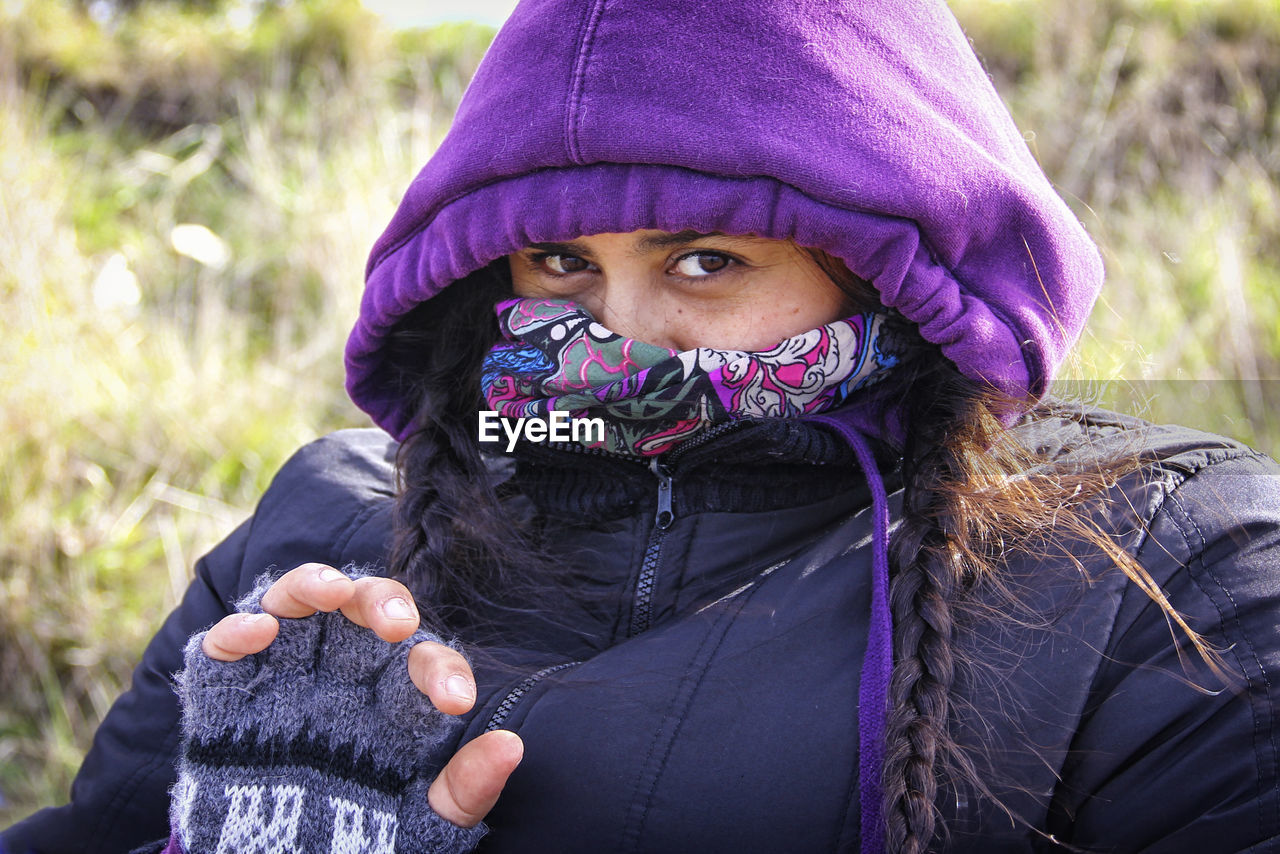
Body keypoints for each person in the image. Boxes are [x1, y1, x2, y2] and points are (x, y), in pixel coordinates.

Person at [5, 0, 1280, 851]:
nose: (618, 334)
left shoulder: (1152, 563)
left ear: (883, 274)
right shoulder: (329, 528)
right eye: (558, 259)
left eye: (707, 260)